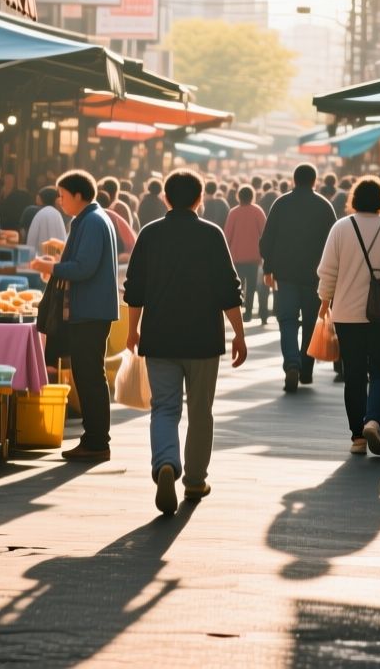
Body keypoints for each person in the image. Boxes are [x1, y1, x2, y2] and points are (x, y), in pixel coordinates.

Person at [123, 170, 248, 514]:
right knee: (200, 411)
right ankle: (194, 479)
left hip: (160, 336)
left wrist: (133, 330)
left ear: (165, 198)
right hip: (203, 339)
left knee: (164, 407)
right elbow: (228, 288)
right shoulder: (211, 234)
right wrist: (239, 332)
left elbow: (134, 288)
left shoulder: (150, 234)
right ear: (199, 198)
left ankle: (166, 463)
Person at [317, 178, 380, 456]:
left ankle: (358, 437)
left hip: (347, 315)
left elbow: (328, 271)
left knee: (354, 375)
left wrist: (324, 302)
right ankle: (374, 420)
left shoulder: (341, 228)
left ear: (354, 200)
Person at [30, 171, 120, 461]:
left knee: (89, 375)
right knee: (88, 374)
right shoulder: (89, 219)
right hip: (89, 310)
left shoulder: (92, 221)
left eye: (63, 194)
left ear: (78, 195)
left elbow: (84, 267)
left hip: (91, 312)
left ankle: (96, 441)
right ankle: (94, 438)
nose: (60, 200)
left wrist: (53, 267)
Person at [259, 164, 337, 393]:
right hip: (315, 277)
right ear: (315, 181)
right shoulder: (324, 206)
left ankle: (292, 363)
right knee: (312, 323)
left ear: (294, 180)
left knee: (288, 321)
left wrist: (268, 269)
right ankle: (306, 370)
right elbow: (333, 244)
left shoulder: (281, 203)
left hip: (286, 275)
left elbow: (267, 240)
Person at [225, 185, 269, 324]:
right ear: (252, 196)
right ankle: (249, 312)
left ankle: (240, 310)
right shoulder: (257, 211)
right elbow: (265, 233)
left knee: (238, 286)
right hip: (254, 256)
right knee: (251, 286)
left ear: (239, 196)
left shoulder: (233, 212)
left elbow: (227, 235)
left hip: (236, 256)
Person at [25, 186, 67, 254]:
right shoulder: (56, 214)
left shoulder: (39, 214)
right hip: (52, 260)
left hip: (37, 258)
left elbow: (32, 240)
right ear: (56, 200)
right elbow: (61, 240)